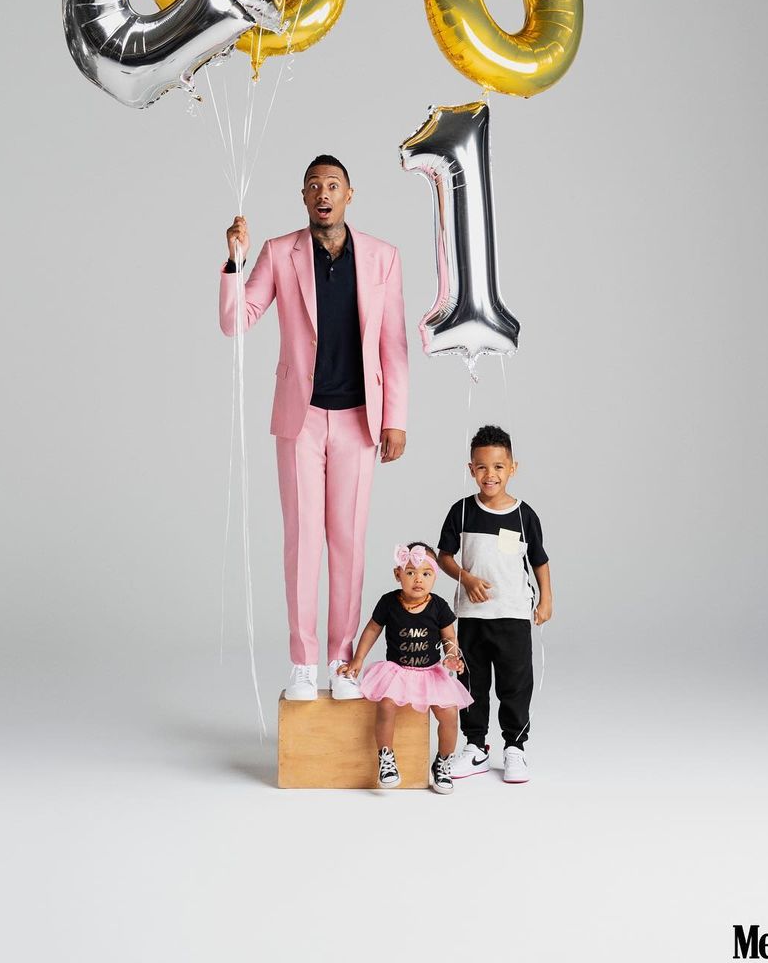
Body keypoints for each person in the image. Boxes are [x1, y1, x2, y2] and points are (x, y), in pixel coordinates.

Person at [219, 155, 409, 701]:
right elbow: (235, 321)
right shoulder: (281, 252)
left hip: (359, 419)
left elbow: (393, 344)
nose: (323, 194)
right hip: (299, 421)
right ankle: (303, 663)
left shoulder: (382, 257)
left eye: (333, 185)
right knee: (302, 542)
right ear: (303, 197)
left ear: (350, 194)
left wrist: (395, 418)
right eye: (313, 186)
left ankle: (341, 661)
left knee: (348, 542)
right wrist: (234, 262)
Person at [436, 424, 553, 784]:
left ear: (513, 468)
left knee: (515, 683)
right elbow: (444, 557)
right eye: (482, 467)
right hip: (472, 616)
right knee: (472, 682)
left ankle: (515, 747)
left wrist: (546, 599)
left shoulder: (524, 515)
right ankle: (476, 747)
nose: (491, 475)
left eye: (499, 467)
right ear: (471, 469)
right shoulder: (461, 511)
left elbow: (539, 561)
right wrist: (466, 579)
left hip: (513, 614)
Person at [336, 543, 472, 793]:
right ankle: (386, 758)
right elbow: (372, 629)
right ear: (397, 574)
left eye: (426, 573)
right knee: (386, 705)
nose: (418, 579)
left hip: (430, 672)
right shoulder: (389, 602)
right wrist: (358, 659)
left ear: (434, 577)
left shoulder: (439, 606)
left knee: (450, 713)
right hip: (397, 672)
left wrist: (452, 657)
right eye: (410, 572)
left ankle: (443, 762)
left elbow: (449, 638)